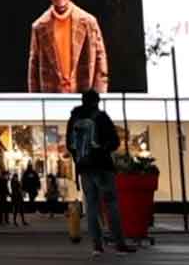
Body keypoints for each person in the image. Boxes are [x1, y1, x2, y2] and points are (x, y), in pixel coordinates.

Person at [68, 88, 136, 256]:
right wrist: (103, 150)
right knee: (111, 203)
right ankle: (119, 243)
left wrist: (80, 159)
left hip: (84, 169)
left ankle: (97, 246)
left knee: (91, 206)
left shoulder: (74, 118)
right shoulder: (101, 117)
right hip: (103, 167)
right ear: (96, 101)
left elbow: (71, 145)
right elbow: (114, 141)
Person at [28, 0, 110, 92]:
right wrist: (35, 99)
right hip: (51, 94)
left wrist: (98, 95)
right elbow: (34, 64)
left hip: (83, 90)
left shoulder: (88, 22)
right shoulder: (39, 27)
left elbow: (100, 58)